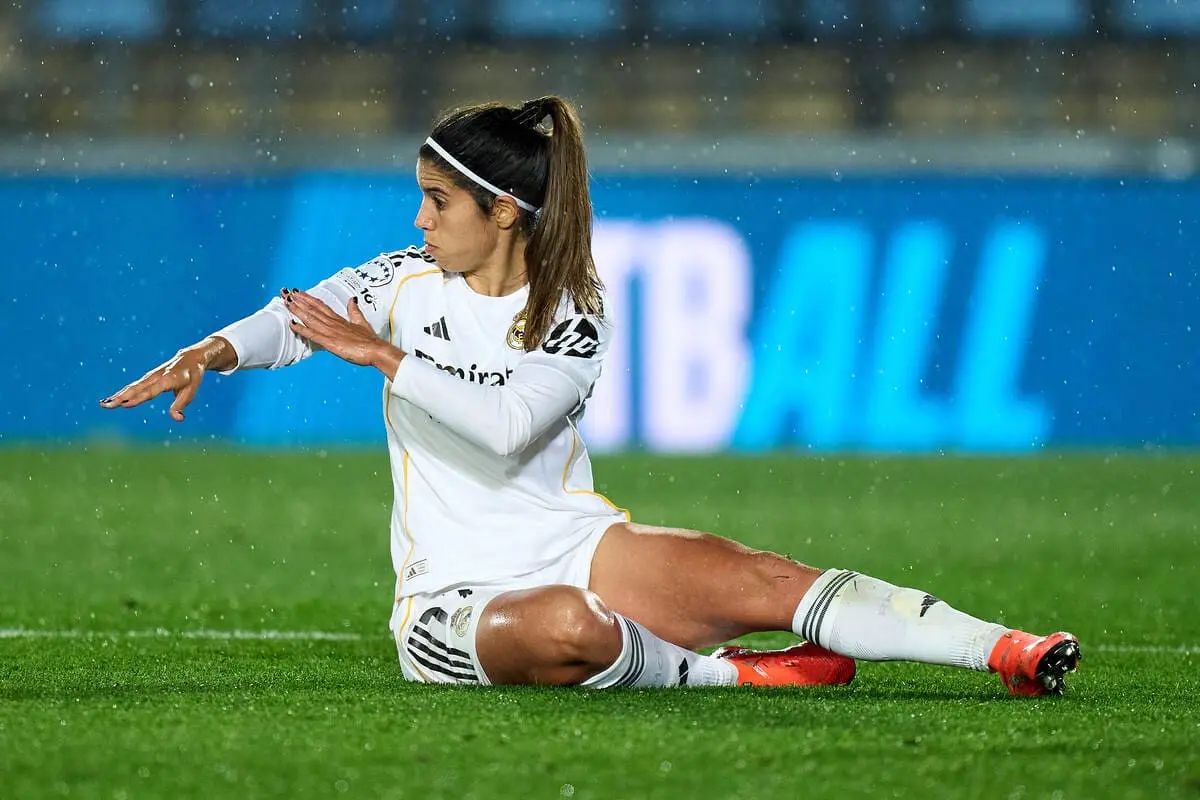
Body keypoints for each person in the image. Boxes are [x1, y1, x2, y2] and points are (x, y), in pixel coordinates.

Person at [100, 95, 1080, 695]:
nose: (419, 218)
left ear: (504, 211)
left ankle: (1009, 648)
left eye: (438, 201)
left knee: (766, 579)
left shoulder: (574, 309)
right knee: (571, 628)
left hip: (574, 544)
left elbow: (509, 425)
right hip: (450, 601)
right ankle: (723, 675)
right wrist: (214, 349)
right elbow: (300, 314)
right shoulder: (402, 278)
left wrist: (386, 362)